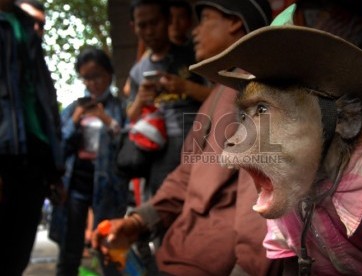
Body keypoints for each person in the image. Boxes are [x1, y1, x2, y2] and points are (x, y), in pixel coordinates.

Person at [190, 5, 362, 274]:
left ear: (343, 122)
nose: (235, 138)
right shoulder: (288, 181)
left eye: (262, 110)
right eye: (244, 117)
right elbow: (290, 259)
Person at [92, 0, 283, 275]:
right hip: (180, 253)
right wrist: (136, 222)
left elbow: (261, 209)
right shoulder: (217, 93)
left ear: (235, 22)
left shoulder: (261, 94)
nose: (194, 29)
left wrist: (248, 269)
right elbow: (185, 176)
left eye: (204, 19)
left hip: (213, 263)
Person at [51, 47, 127, 276]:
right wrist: (75, 121)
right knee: (70, 246)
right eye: (87, 77)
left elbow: (126, 143)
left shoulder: (118, 107)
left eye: (97, 76)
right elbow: (60, 146)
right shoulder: (74, 108)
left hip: (108, 185)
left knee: (109, 245)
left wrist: (106, 119)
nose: (92, 83)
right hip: (76, 183)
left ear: (109, 74)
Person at [0, 1, 63, 275]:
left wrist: (55, 169)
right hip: (5, 156)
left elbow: (46, 103)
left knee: (17, 256)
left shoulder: (28, 27)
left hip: (35, 160)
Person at [126, 0, 211, 199]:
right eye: (142, 25)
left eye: (154, 23)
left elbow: (221, 95)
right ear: (133, 28)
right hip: (158, 153)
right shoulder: (137, 71)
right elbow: (130, 114)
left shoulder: (194, 56)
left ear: (167, 20)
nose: (149, 31)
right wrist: (140, 99)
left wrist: (185, 87)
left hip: (199, 142)